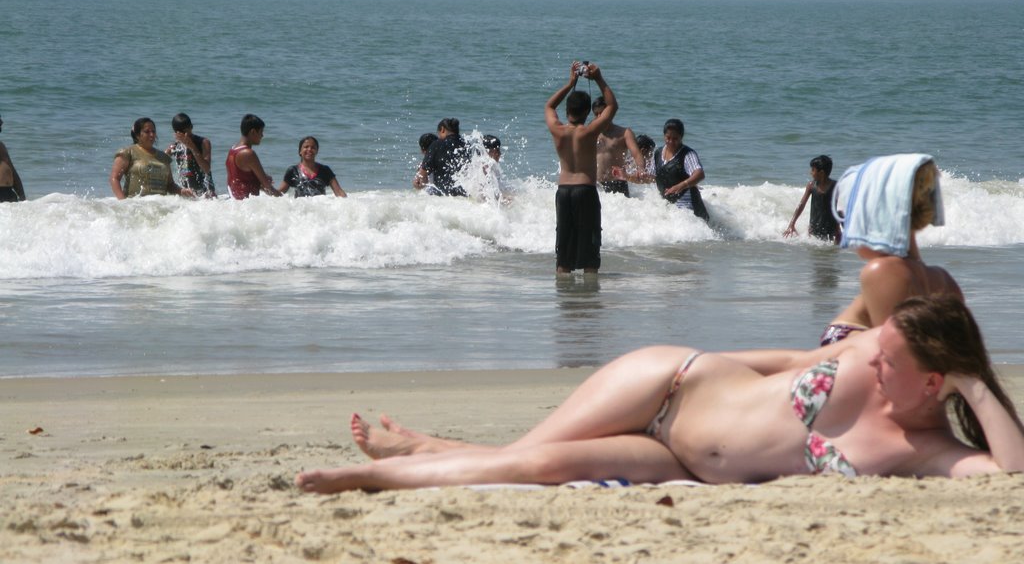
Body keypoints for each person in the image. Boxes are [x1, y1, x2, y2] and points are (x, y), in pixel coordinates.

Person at [295, 295, 1024, 494]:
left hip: (680, 464)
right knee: (529, 453)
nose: (872, 353)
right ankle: (381, 472)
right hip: (671, 381)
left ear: (936, 380)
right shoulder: (869, 347)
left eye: (891, 358)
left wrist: (976, 384)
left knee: (539, 467)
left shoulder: (923, 449)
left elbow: (1009, 472)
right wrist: (703, 361)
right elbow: (792, 359)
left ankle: (412, 454)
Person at [820, 154, 962, 345]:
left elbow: (890, 355)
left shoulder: (882, 271)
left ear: (868, 215)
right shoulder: (944, 281)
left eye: (847, 217)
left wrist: (797, 364)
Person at [546, 61, 618, 275]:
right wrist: (598, 78)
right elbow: (612, 106)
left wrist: (570, 83)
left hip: (564, 191)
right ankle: (588, 301)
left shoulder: (557, 130)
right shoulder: (589, 132)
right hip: (585, 191)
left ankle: (565, 301)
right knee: (590, 247)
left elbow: (549, 106)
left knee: (564, 250)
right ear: (588, 112)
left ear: (567, 110)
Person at [109, 118, 195, 199]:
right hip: (134, 205)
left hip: (157, 206)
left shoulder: (164, 157)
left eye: (153, 131)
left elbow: (170, 185)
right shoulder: (128, 152)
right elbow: (114, 178)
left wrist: (182, 191)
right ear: (137, 135)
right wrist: (123, 202)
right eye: (147, 132)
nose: (152, 134)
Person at [653, 118, 709, 221]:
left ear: (681, 137)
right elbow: (653, 177)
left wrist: (681, 186)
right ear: (664, 136)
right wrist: (627, 176)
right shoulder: (658, 153)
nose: (670, 141)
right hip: (670, 211)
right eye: (668, 137)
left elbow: (699, 174)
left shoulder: (687, 154)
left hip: (690, 214)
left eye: (675, 138)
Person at [591, 96, 645, 198]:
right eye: (596, 114)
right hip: (596, 184)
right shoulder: (591, 133)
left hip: (617, 183)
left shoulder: (624, 133)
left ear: (609, 113)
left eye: (601, 113)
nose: (599, 117)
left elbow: (637, 154)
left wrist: (641, 169)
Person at [783, 155, 840, 243]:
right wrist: (792, 224)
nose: (810, 172)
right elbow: (801, 204)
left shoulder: (835, 186)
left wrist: (838, 229)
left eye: (813, 170)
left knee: (830, 253)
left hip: (831, 230)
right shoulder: (811, 186)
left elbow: (837, 209)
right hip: (814, 229)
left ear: (821, 173)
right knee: (814, 252)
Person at [225, 114, 282, 199]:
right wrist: (284, 200)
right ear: (253, 132)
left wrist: (259, 180)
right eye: (261, 132)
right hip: (246, 205)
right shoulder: (248, 153)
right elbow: (267, 187)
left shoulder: (233, 150)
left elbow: (240, 177)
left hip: (235, 201)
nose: (262, 136)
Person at [165, 113, 215, 198]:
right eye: (182, 133)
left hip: (206, 194)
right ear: (176, 133)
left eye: (187, 131)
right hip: (187, 195)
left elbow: (206, 169)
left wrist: (192, 147)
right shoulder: (175, 147)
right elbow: (161, 161)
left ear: (191, 127)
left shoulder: (203, 142)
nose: (186, 136)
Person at [413, 118, 468, 197]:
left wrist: (417, 183)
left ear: (442, 129)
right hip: (464, 196)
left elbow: (420, 180)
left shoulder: (436, 145)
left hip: (442, 197)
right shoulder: (468, 144)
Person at [277, 136, 347, 197]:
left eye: (313, 147)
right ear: (300, 151)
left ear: (317, 151)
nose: (309, 149)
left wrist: (350, 205)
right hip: (299, 210)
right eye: (306, 147)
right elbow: (280, 192)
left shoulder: (325, 170)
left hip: (319, 209)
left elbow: (338, 191)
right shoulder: (293, 170)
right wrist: (268, 191)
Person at [0, 114, 26, 202]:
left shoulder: (1, 146)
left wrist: (22, 197)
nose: (2, 122)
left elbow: (13, 172)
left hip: (8, 195)